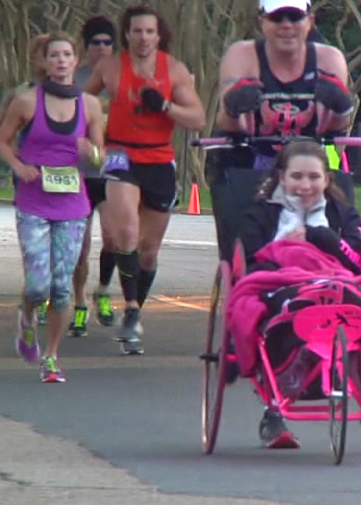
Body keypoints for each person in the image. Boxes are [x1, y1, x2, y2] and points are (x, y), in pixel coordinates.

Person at [84, 4, 206, 354]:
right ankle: (132, 310)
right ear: (127, 35)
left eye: (149, 32)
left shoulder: (175, 70)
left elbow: (197, 119)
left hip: (159, 158)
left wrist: (165, 106)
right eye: (136, 31)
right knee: (126, 232)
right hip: (121, 154)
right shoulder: (110, 67)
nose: (143, 38)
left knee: (148, 252)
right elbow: (84, 102)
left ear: (158, 35)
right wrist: (92, 131)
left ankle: (134, 312)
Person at [233, 140, 361, 449]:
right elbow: (253, 258)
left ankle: (348, 372)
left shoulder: (343, 214)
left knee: (360, 302)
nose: (305, 185)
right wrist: (290, 251)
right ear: (282, 178)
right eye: (297, 177)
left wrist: (318, 238)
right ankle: (277, 402)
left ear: (327, 180)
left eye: (313, 177)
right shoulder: (262, 213)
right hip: (283, 283)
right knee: (284, 307)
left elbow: (356, 258)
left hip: (335, 282)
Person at [0, 32, 107, 382]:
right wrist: (18, 167)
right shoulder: (27, 101)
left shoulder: (90, 105)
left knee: (61, 288)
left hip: (73, 205)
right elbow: (1, 140)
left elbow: (102, 157)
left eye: (67, 54)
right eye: (54, 55)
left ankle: (52, 357)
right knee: (37, 287)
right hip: (34, 203)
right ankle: (26, 317)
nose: (61, 60)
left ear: (76, 61)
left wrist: (93, 154)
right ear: (43, 62)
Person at [209, 0, 355, 264]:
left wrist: (342, 107)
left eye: (294, 17)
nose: (286, 26)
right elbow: (228, 124)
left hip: (307, 156)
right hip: (250, 156)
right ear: (263, 22)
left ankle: (331, 263)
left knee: (338, 192)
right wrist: (234, 106)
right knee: (241, 219)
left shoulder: (329, 59)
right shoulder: (242, 56)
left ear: (309, 21)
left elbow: (334, 129)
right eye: (278, 18)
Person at [0, 34, 53, 327]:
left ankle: (52, 295)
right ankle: (35, 296)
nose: (53, 60)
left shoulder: (75, 94)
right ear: (37, 59)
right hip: (30, 176)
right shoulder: (22, 93)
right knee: (35, 241)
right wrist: (17, 159)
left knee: (65, 244)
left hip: (64, 179)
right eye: (46, 54)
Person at [70, 15, 118, 337]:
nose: (102, 48)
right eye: (95, 42)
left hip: (115, 170)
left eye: (107, 42)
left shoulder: (123, 78)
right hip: (79, 171)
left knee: (115, 239)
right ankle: (78, 304)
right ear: (85, 47)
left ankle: (103, 290)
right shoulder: (73, 79)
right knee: (79, 245)